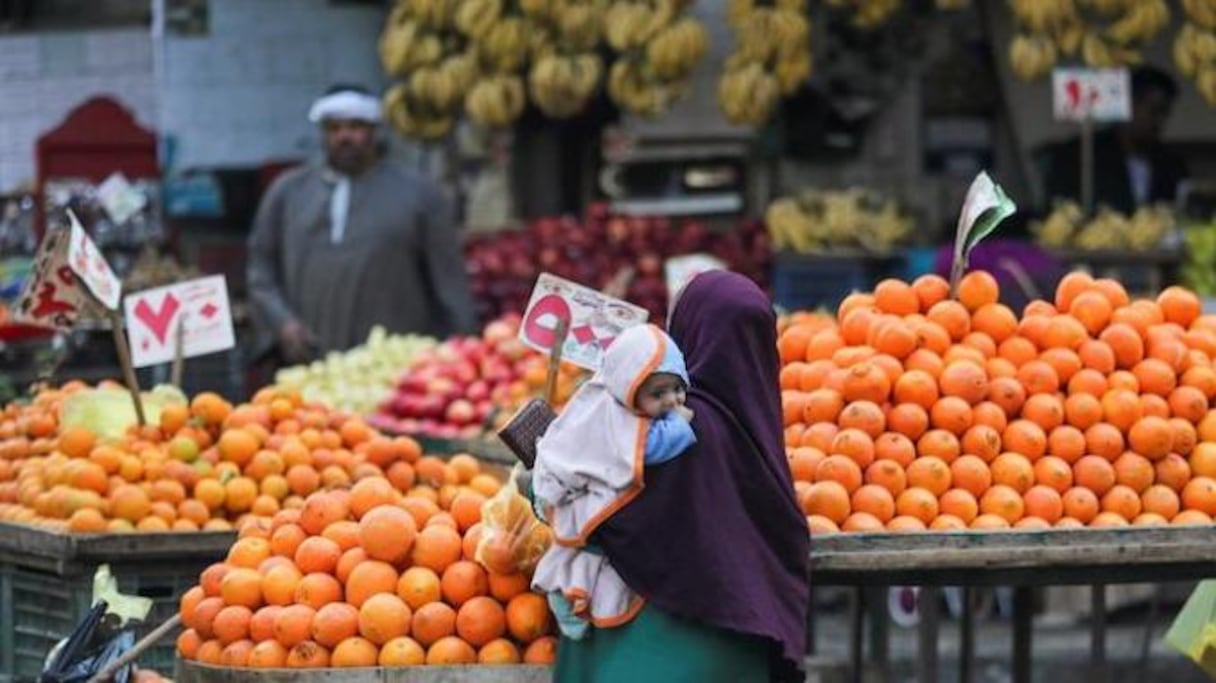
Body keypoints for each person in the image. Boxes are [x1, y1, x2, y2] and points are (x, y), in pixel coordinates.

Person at [544, 270, 811, 682]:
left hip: (658, 649)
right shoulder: (759, 433)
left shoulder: (668, 430)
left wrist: (542, 482)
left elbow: (612, 518)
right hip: (741, 650)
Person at [247, 85, 477, 365]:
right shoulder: (287, 192)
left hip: (395, 367)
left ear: (375, 131)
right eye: (334, 128)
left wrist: (461, 349)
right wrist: (282, 324)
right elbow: (261, 269)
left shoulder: (419, 194)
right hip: (309, 366)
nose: (344, 137)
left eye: (356, 126)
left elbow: (450, 280)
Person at [530, 324, 697, 640]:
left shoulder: (614, 400)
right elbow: (649, 448)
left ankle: (577, 594)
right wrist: (678, 425)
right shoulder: (611, 412)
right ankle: (565, 595)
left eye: (678, 388)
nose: (673, 400)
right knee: (587, 547)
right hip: (571, 490)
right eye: (658, 393)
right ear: (627, 387)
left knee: (593, 556)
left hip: (571, 489)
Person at [1042, 65, 1189, 214]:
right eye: (1154, 111)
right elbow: (1056, 210)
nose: (1159, 121)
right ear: (1129, 106)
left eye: (1165, 113)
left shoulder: (1171, 165)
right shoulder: (1079, 157)